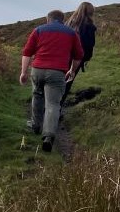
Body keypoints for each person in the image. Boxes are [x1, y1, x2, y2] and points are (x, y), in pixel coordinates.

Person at [19, 10, 84, 153]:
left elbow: (27, 52)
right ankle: (48, 136)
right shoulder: (71, 33)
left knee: (37, 95)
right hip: (57, 72)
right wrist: (72, 70)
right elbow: (79, 55)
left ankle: (35, 126)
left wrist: (23, 72)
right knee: (53, 104)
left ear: (48, 19)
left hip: (37, 69)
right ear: (63, 19)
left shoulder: (38, 30)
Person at [64, 1, 96, 97]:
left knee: (56, 81)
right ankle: (57, 108)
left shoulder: (68, 24)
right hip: (77, 58)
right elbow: (89, 44)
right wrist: (87, 58)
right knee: (67, 83)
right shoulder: (89, 26)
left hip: (63, 56)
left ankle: (48, 106)